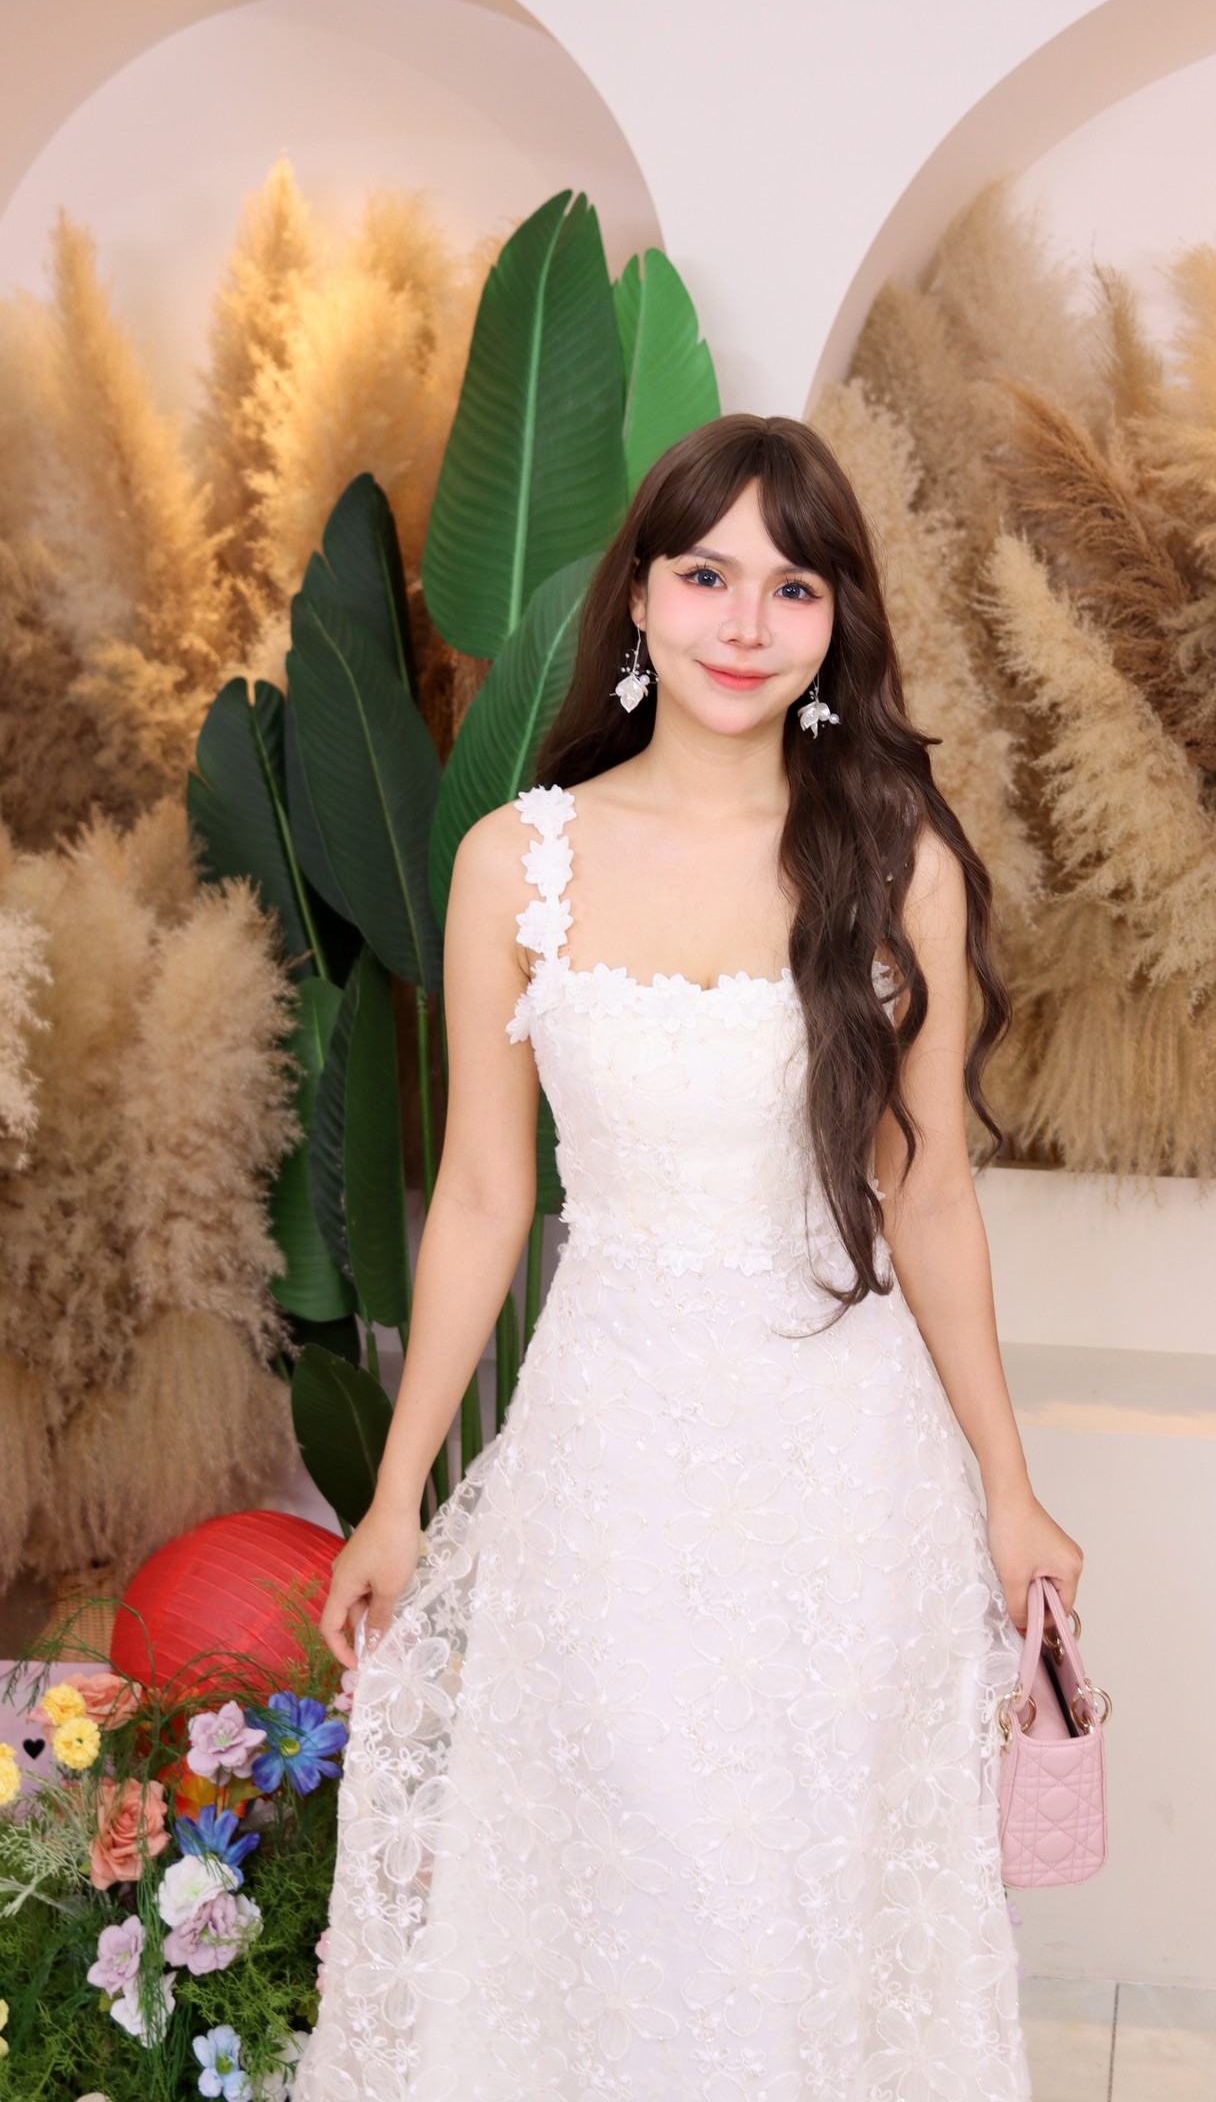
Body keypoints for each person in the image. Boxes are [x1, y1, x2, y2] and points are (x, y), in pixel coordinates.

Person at [302, 414, 1083, 2102]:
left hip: (843, 1466)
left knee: (806, 1892)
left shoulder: (897, 859)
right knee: (633, 1872)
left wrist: (1010, 1491)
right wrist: (396, 1496)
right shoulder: (518, 861)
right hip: (614, 1459)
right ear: (641, 598)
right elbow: (483, 1197)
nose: (746, 622)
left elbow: (930, 1197)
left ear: (836, 620)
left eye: (793, 586)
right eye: (708, 575)